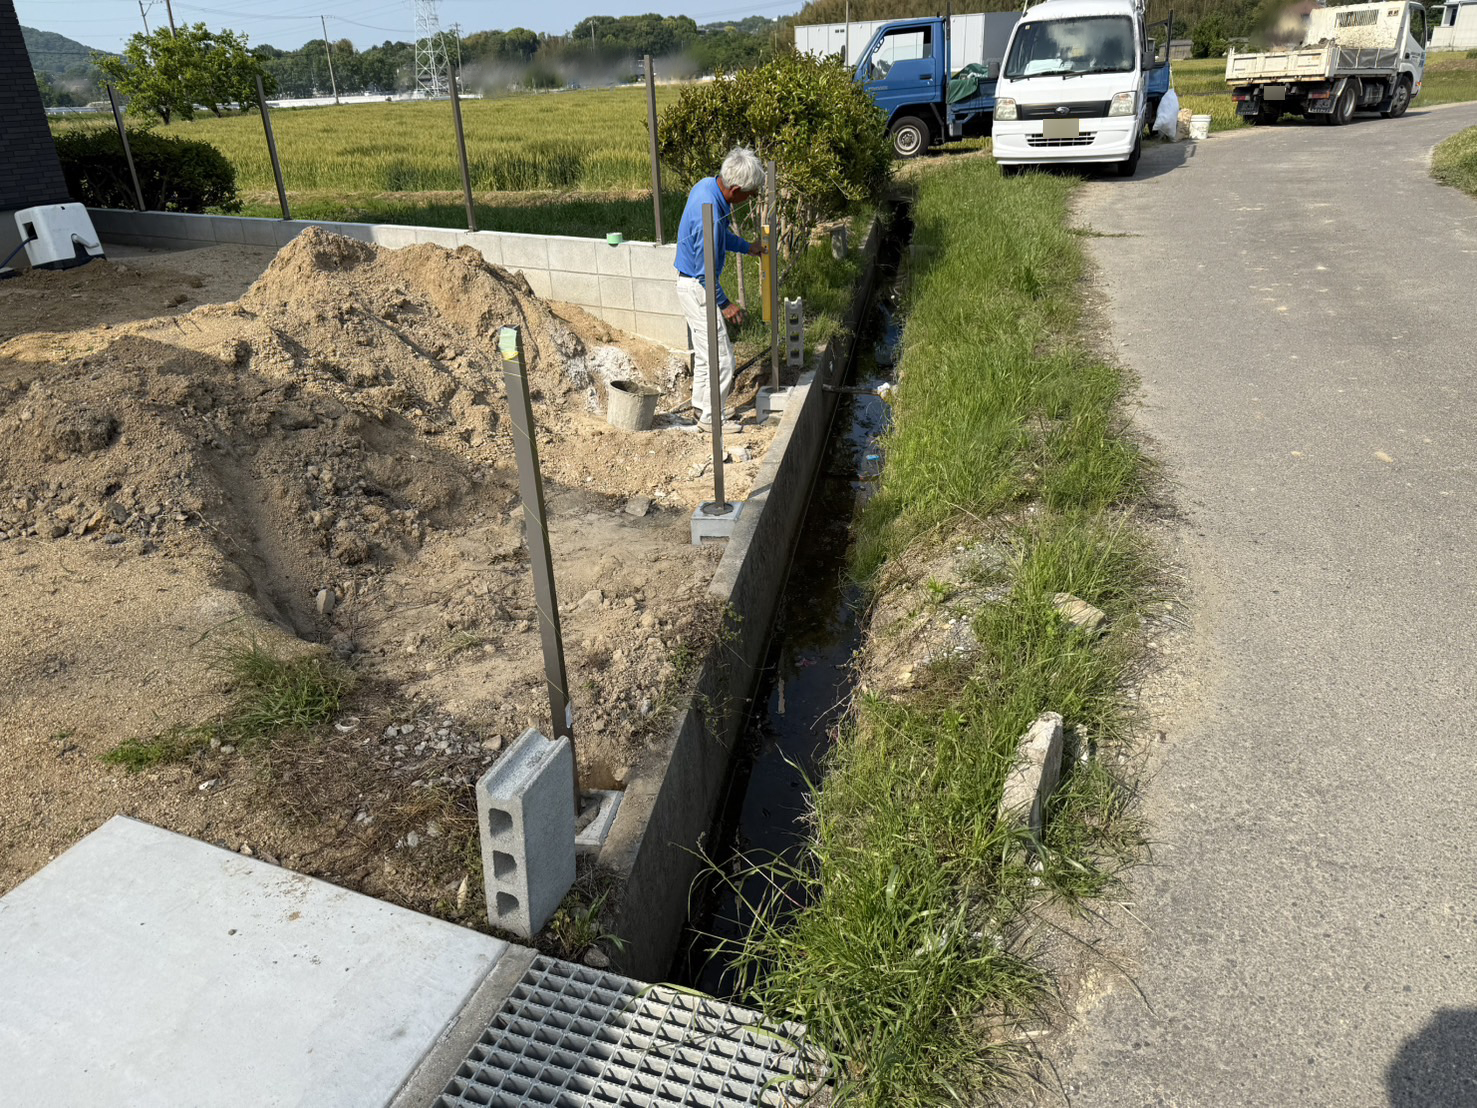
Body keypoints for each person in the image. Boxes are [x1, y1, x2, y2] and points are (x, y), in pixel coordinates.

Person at [673, 147, 767, 430]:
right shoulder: (711, 213)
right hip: (697, 286)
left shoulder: (707, 186)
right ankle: (713, 419)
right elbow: (706, 272)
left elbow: (720, 237)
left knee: (705, 353)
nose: (749, 199)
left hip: (689, 283)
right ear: (735, 189)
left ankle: (702, 409)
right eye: (749, 194)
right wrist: (725, 304)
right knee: (724, 358)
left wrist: (747, 248)